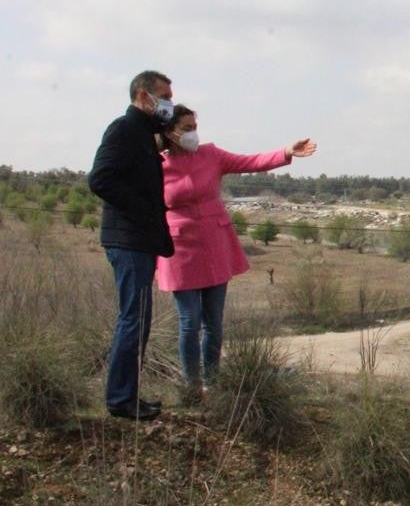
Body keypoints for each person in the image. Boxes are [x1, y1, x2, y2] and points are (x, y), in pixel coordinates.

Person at [156, 104, 317, 402]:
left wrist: (285, 152)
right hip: (178, 249)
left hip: (215, 245)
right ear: (169, 132)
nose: (193, 134)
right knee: (189, 321)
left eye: (195, 127)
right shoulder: (155, 165)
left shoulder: (211, 154)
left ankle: (212, 382)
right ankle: (191, 387)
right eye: (186, 128)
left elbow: (251, 161)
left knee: (213, 322)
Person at [88, 70, 176, 421]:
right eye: (164, 96)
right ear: (143, 97)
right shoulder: (123, 130)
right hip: (128, 239)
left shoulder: (142, 133)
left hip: (138, 239)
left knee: (138, 319)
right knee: (133, 319)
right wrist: (142, 210)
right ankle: (121, 401)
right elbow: (100, 179)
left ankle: (127, 396)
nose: (167, 103)